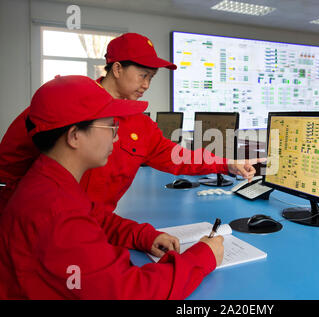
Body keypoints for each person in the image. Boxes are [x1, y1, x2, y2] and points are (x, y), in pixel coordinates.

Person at [0, 75, 224, 299]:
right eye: (110, 126)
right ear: (75, 135)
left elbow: (94, 216)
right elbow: (129, 293)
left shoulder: (50, 181)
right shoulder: (57, 212)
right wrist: (203, 257)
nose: (116, 138)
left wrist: (143, 236)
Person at [0, 32, 262, 212]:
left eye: (152, 78)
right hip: (44, 230)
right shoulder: (65, 100)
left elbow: (174, 156)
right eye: (142, 75)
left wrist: (226, 163)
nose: (146, 85)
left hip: (95, 230)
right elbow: (10, 162)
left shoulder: (140, 124)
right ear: (116, 69)